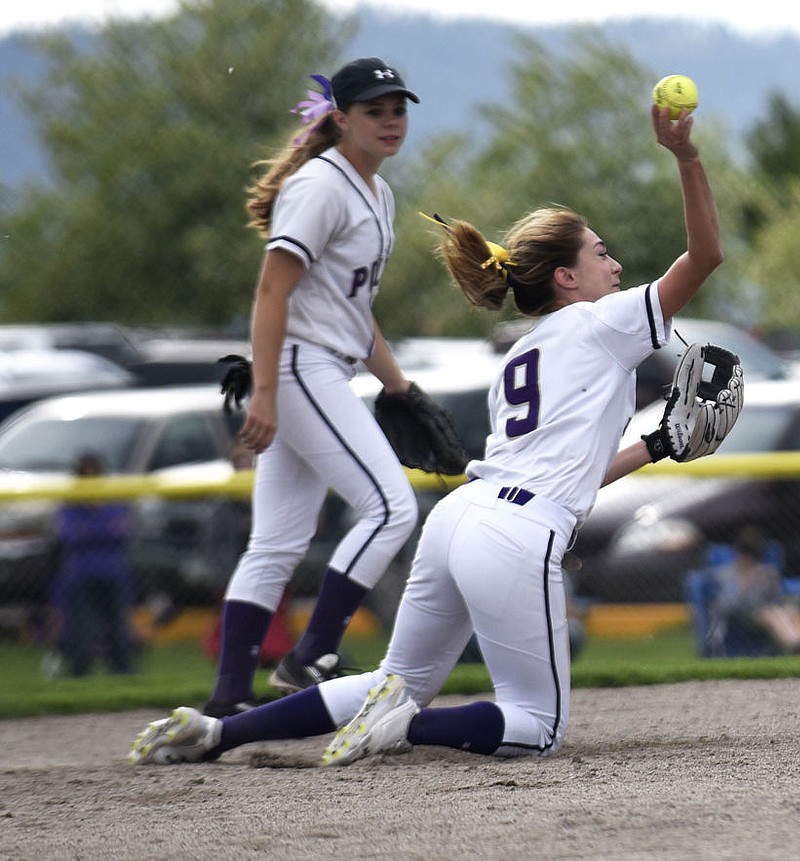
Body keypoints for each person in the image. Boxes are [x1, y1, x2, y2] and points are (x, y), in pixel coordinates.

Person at [129, 89, 722, 765]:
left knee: (393, 677)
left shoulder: (520, 351)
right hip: (514, 532)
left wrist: (655, 445)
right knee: (536, 723)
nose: (615, 266)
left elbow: (563, 473)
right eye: (600, 253)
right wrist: (686, 156)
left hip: (462, 518)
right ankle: (407, 728)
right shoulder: (604, 321)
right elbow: (703, 258)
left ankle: (218, 732)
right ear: (565, 277)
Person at [200, 58, 426, 718]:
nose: (389, 122)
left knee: (275, 542)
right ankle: (313, 653)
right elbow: (273, 288)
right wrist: (265, 390)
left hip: (323, 365)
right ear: (341, 118)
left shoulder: (375, 192)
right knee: (391, 508)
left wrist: (402, 389)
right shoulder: (321, 187)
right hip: (300, 367)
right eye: (373, 111)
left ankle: (227, 697)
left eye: (397, 109)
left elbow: (355, 313)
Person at [49, 451, 137, 677]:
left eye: (94, 473)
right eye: (85, 474)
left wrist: (92, 529)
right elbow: (71, 535)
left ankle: (122, 670)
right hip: (81, 574)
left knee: (118, 625)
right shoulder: (71, 503)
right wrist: (104, 529)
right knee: (81, 627)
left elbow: (123, 530)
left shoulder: (112, 499)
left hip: (112, 572)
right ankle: (81, 672)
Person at [706, 527, 800, 657]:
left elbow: (776, 600)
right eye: (745, 557)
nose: (748, 563)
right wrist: (744, 587)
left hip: (763, 612)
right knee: (770, 615)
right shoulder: (725, 575)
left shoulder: (764, 573)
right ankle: (799, 648)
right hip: (738, 618)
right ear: (738, 554)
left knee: (786, 611)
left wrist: (772, 586)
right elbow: (725, 606)